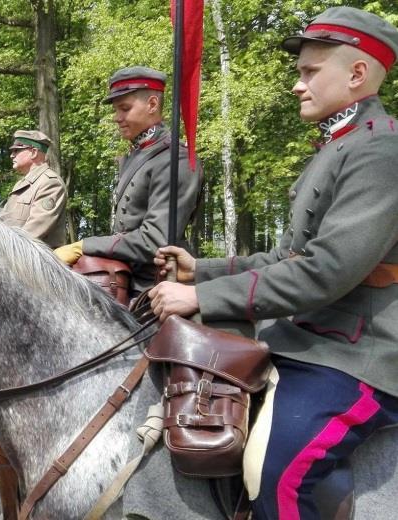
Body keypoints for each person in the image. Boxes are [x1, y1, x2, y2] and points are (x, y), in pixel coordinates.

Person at [150, 8, 398, 518]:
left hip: (359, 355)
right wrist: (205, 270)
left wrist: (201, 297)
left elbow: (327, 268)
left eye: (310, 72)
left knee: (281, 469)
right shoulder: (342, 144)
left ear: (356, 75)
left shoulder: (380, 151)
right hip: (309, 337)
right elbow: (290, 255)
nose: (297, 85)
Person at [54, 66, 202, 293]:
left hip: (158, 285)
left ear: (152, 105)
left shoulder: (175, 159)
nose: (117, 118)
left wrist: (85, 246)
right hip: (127, 275)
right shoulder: (138, 154)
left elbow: (156, 239)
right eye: (116, 110)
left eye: (125, 108)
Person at [0, 130, 68, 248]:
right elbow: (3, 221)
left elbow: (33, 232)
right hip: (14, 254)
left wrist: (3, 247)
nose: (12, 155)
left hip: (39, 261)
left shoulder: (50, 183)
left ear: (34, 152)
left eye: (17, 150)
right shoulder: (22, 184)